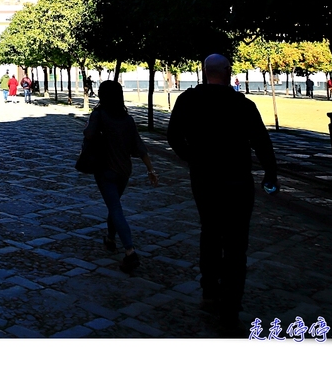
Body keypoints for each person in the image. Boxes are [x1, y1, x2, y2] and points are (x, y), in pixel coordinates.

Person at [167, 54, 278, 334]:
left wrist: (192, 158)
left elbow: (173, 137)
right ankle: (230, 307)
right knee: (237, 244)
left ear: (204, 72)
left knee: (210, 232)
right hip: (238, 181)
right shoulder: (243, 105)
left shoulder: (188, 101)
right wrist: (270, 174)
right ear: (228, 72)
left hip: (204, 180)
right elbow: (262, 142)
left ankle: (209, 290)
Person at [83, 80, 159, 272]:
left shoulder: (99, 115)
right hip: (124, 170)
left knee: (115, 207)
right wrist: (150, 170)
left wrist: (89, 130)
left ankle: (130, 252)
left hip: (105, 169)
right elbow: (139, 146)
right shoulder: (128, 120)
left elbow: (89, 135)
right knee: (114, 204)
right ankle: (110, 238)